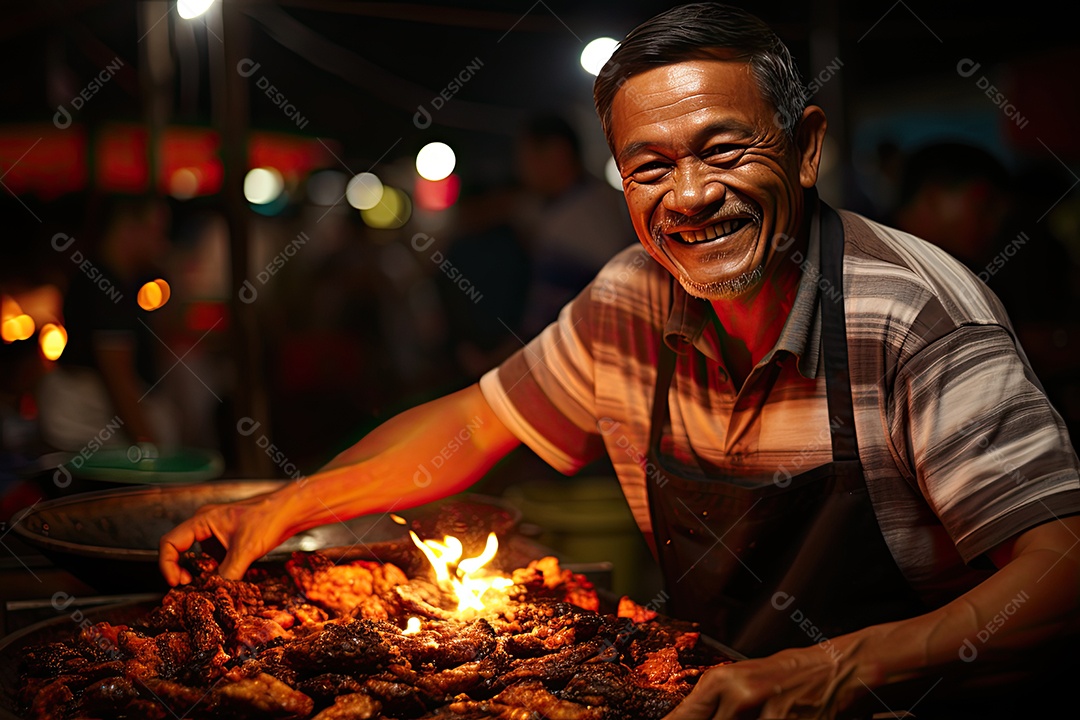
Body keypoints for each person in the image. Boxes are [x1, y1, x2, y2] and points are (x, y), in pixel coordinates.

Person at [161, 4, 1080, 717]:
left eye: (724, 150)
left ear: (804, 148)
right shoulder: (629, 298)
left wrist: (832, 670)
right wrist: (283, 507)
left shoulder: (914, 316)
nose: (691, 196)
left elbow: (1062, 566)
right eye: (650, 168)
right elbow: (473, 422)